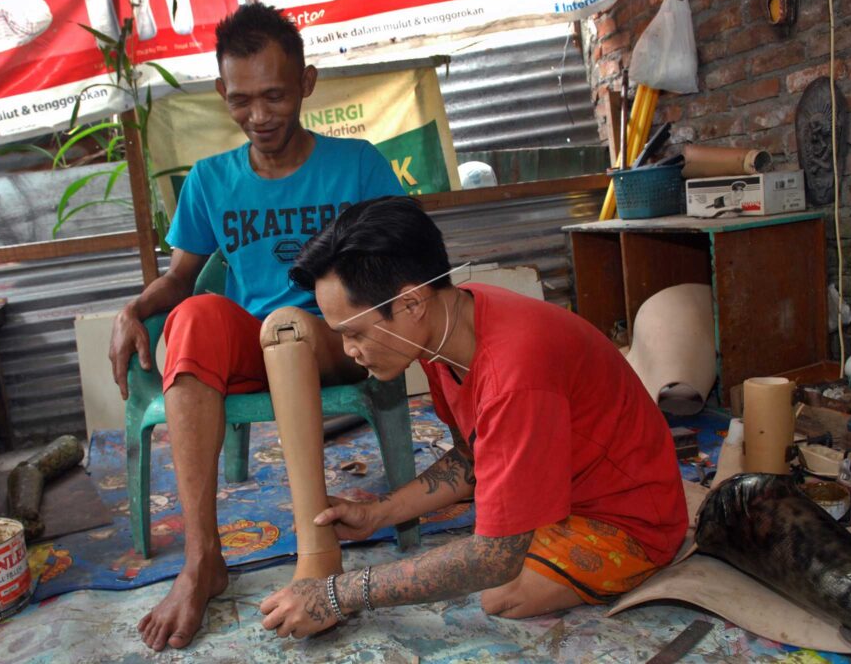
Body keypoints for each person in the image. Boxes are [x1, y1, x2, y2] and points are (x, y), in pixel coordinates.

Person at [107, 3, 402, 651]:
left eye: (274, 95)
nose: (259, 115)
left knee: (291, 324)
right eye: (241, 100)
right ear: (220, 93)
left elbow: (402, 264)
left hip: (337, 337)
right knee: (189, 319)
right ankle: (201, 558)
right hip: (258, 338)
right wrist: (135, 309)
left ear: (306, 82)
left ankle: (316, 551)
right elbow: (182, 278)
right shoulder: (212, 181)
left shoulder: (357, 165)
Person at [259, 195, 688, 638]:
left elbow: (493, 557)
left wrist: (338, 594)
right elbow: (473, 454)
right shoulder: (443, 329)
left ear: (410, 303)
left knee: (503, 592)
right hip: (562, 487)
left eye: (354, 332)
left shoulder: (513, 372)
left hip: (629, 516)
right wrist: (379, 514)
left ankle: (646, 549)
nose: (349, 351)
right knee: (482, 555)